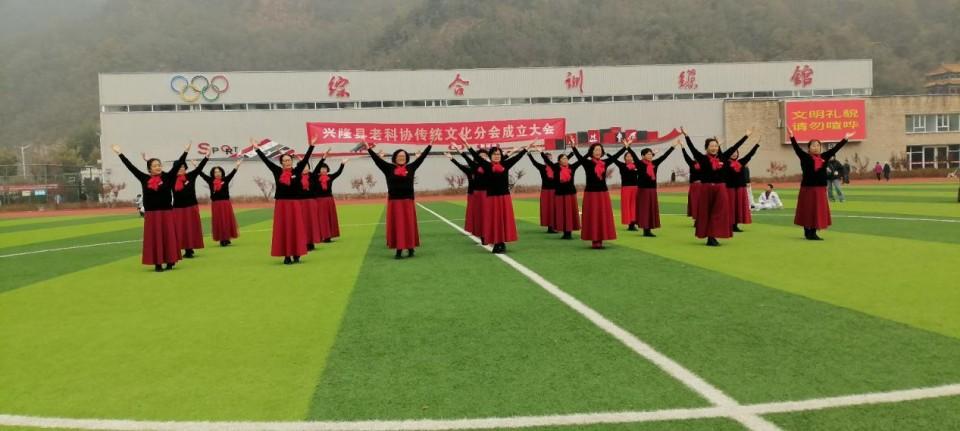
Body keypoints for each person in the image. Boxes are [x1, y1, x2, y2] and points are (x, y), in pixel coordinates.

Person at [112, 142, 189, 272]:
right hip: (152, 214)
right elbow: (130, 167)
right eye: (154, 165)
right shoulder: (144, 178)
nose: (158, 167)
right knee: (155, 239)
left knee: (168, 237)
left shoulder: (168, 177)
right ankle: (157, 263)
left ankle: (170, 261)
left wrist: (186, 151)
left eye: (159, 165)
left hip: (166, 212)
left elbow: (178, 164)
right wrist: (120, 153)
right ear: (149, 169)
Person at [683, 128, 751, 246]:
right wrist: (686, 136)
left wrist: (746, 136)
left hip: (720, 188)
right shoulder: (702, 158)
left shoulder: (723, 157)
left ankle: (714, 234)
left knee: (719, 213)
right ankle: (710, 237)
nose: (714, 148)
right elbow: (692, 148)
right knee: (706, 212)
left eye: (716, 146)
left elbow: (735, 147)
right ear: (707, 148)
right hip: (706, 188)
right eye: (711, 146)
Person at [367, 141, 432, 259]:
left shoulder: (411, 167)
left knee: (409, 225)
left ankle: (411, 248)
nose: (401, 158)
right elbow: (377, 160)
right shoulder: (388, 168)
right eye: (399, 156)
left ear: (406, 158)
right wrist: (368, 148)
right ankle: (399, 250)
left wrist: (430, 145)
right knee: (398, 226)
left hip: (408, 201)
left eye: (403, 156)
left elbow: (422, 157)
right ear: (395, 158)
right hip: (395, 202)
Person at [255, 138, 315, 264]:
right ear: (281, 162)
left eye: (289, 160)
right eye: (285, 160)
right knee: (284, 229)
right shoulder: (277, 171)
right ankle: (287, 255)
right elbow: (266, 161)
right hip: (281, 204)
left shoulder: (297, 171)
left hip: (294, 203)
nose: (287, 162)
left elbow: (305, 159)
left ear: (292, 161)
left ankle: (297, 253)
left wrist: (312, 145)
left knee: (296, 228)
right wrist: (257, 149)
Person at [468, 143, 535, 254]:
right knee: (493, 221)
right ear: (490, 156)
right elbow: (475, 156)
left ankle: (501, 243)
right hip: (491, 198)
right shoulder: (486, 165)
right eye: (494, 154)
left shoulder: (505, 164)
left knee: (503, 220)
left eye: (498, 154)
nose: (497, 156)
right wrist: (466, 144)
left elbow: (517, 157)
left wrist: (526, 148)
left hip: (504, 198)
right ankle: (497, 242)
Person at [789, 128, 854, 240]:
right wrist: (792, 136)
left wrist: (845, 138)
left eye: (818, 145)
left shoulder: (824, 156)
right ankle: (807, 232)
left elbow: (835, 149)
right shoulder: (805, 157)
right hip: (807, 188)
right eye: (813, 145)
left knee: (817, 210)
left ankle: (813, 232)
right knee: (807, 210)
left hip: (820, 188)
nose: (816, 147)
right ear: (809, 148)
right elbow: (796, 148)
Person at [571, 142, 626, 249]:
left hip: (603, 193)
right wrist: (573, 147)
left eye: (600, 150)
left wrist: (625, 147)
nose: (598, 152)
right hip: (591, 194)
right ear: (591, 152)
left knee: (602, 216)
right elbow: (579, 157)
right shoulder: (587, 163)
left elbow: (615, 156)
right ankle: (594, 241)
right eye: (596, 150)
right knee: (592, 217)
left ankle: (600, 239)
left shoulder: (605, 163)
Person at [626, 139, 679, 237]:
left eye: (651, 154)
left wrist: (673, 147)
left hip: (652, 190)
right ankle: (646, 230)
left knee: (651, 210)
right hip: (643, 191)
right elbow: (633, 155)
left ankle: (648, 229)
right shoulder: (640, 163)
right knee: (645, 210)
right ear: (643, 156)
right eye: (648, 154)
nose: (650, 155)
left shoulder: (654, 163)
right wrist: (628, 147)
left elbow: (664, 156)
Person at [198, 159, 243, 246]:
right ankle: (222, 239)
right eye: (215, 172)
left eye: (219, 171)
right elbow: (201, 174)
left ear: (222, 172)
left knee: (226, 221)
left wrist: (237, 165)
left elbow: (233, 173)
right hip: (216, 205)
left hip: (225, 204)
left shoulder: (225, 179)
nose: (217, 173)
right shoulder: (210, 181)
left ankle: (227, 237)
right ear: (213, 174)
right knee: (219, 222)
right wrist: (196, 166)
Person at [173, 156, 209, 258]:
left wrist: (206, 157)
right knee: (181, 229)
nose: (181, 169)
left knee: (191, 228)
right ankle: (185, 248)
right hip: (178, 208)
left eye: (183, 167)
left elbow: (199, 168)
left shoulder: (190, 176)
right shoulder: (171, 179)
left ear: (185, 168)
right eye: (178, 167)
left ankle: (190, 249)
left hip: (191, 207)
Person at [723, 141, 760, 232]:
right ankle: (729, 225)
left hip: (740, 189)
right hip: (730, 189)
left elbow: (750, 155)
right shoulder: (725, 163)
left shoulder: (741, 162)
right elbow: (721, 155)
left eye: (736, 152)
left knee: (738, 207)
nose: (734, 154)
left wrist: (757, 145)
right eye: (732, 152)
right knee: (731, 207)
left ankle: (735, 225)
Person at [543, 151, 581, 239]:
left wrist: (574, 150)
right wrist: (541, 152)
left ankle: (569, 233)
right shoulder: (556, 168)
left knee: (570, 214)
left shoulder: (572, 167)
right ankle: (565, 233)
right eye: (563, 159)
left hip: (570, 194)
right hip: (560, 194)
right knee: (561, 214)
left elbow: (581, 160)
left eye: (566, 158)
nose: (565, 160)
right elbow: (548, 161)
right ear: (559, 161)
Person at [313, 158, 346, 243]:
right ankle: (322, 236)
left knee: (329, 218)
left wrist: (342, 164)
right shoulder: (315, 178)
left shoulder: (330, 177)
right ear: (319, 170)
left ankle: (329, 236)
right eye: (322, 169)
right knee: (321, 219)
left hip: (329, 200)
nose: (323, 170)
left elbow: (338, 173)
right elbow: (312, 173)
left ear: (327, 169)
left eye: (325, 168)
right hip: (319, 200)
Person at [460, 147, 490, 240]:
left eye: (485, 155)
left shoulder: (489, 166)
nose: (483, 157)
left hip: (488, 194)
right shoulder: (473, 167)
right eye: (481, 156)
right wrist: (454, 157)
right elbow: (463, 163)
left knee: (487, 214)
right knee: (475, 213)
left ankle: (487, 231)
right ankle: (476, 230)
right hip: (474, 194)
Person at [528, 151, 559, 233]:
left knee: (555, 208)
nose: (549, 159)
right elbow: (534, 163)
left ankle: (554, 226)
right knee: (548, 209)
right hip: (546, 191)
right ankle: (550, 227)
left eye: (550, 158)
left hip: (555, 190)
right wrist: (529, 155)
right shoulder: (542, 167)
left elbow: (563, 160)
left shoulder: (555, 166)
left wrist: (571, 154)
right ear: (544, 159)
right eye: (548, 158)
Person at [613, 142, 640, 231]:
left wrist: (653, 154)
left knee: (634, 206)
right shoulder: (622, 165)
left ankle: (633, 224)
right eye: (627, 156)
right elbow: (614, 159)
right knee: (626, 206)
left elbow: (644, 162)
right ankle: (629, 224)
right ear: (624, 158)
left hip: (635, 188)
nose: (629, 158)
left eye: (631, 156)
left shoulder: (636, 165)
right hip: (625, 188)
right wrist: (625, 147)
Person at [681, 147, 702, 225]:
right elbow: (686, 157)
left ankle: (702, 219)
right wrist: (683, 148)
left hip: (703, 186)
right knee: (695, 202)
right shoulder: (692, 163)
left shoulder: (704, 163)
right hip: (694, 186)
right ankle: (696, 220)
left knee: (702, 203)